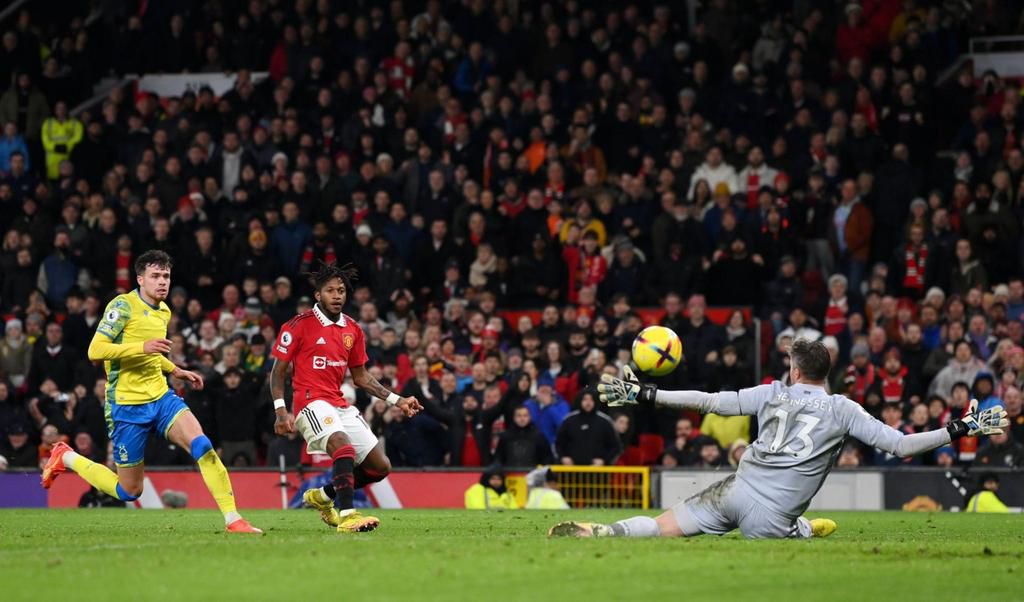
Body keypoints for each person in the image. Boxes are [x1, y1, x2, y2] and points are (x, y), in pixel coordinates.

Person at [550, 339, 1008, 540]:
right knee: (794, 534)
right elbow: (902, 447)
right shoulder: (843, 409)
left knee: (663, 526)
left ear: (795, 370)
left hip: (733, 491)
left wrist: (647, 393)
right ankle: (805, 528)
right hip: (771, 517)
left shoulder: (772, 392)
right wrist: (959, 427)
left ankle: (607, 532)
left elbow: (709, 401)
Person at [41, 251, 262, 533]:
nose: (162, 282)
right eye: (156, 276)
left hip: (161, 398)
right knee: (129, 490)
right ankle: (66, 456)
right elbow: (95, 350)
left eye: (166, 276)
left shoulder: (164, 310)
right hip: (126, 405)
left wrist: (173, 369)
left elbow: (152, 354)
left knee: (202, 446)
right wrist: (140, 347)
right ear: (140, 279)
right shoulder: (122, 306)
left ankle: (233, 519)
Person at [268, 262, 422, 533]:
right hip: (309, 404)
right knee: (344, 448)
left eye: (341, 290)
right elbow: (278, 373)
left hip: (338, 403)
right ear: (318, 295)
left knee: (379, 467)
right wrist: (281, 411)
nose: (337, 295)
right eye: (330, 291)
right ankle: (348, 515)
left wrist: (397, 400)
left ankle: (324, 495)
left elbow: (361, 378)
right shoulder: (298, 326)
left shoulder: (353, 329)